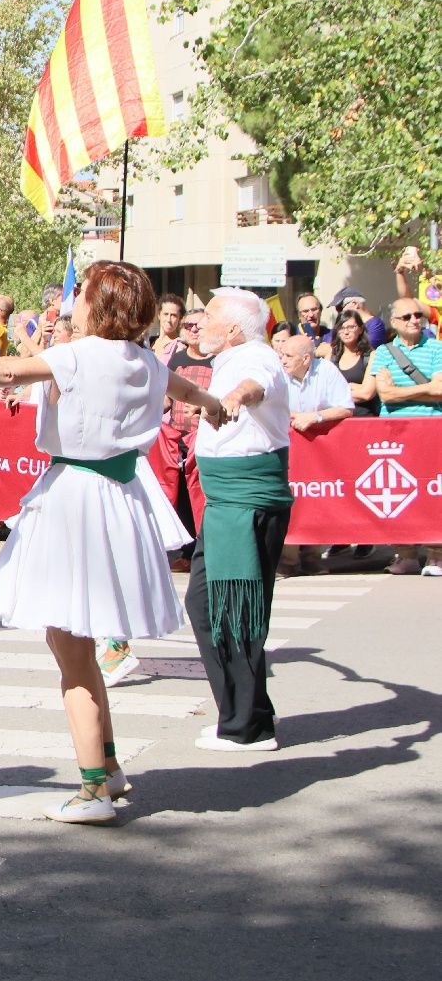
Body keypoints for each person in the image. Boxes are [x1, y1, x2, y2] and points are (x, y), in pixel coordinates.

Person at [0, 262, 223, 821]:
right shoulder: (146, 361)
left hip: (76, 500)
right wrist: (215, 405)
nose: (74, 303)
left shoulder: (76, 355)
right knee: (77, 641)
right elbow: (187, 389)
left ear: (100, 305)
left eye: (82, 294)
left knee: (71, 647)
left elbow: (0, 370)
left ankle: (92, 789)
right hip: (119, 499)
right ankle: (107, 766)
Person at [188, 288, 294, 752]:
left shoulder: (257, 356)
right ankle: (248, 714)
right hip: (227, 501)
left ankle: (246, 726)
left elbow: (255, 386)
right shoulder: (228, 359)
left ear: (232, 328)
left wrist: (231, 398)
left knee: (233, 609)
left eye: (207, 316)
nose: (198, 322)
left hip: (246, 502)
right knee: (208, 604)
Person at [370, 297, 442, 576]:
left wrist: (400, 392)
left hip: (432, 429)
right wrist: (423, 391)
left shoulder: (436, 347)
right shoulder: (385, 352)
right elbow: (384, 393)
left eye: (418, 314)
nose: (415, 319)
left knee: (433, 491)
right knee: (401, 491)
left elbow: (439, 391)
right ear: (394, 322)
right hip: (395, 434)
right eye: (407, 316)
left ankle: (436, 553)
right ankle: (406, 553)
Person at [276, 334, 354, 577]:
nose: (283, 360)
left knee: (314, 496)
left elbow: (346, 406)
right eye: (282, 354)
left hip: (318, 449)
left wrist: (315, 417)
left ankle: (312, 557)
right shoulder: (277, 373)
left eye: (289, 356)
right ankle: (288, 560)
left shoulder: (327, 371)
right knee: (290, 497)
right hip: (287, 445)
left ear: (306, 358)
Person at [150, 307, 214, 569]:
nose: (193, 330)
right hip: (176, 438)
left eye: (198, 326)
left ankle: (206, 552)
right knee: (182, 499)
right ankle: (187, 555)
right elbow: (166, 398)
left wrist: (204, 408)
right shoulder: (175, 359)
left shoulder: (218, 360)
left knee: (203, 497)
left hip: (206, 438)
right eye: (188, 326)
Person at [324, 309, 380, 417]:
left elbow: (367, 394)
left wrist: (336, 393)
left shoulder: (371, 356)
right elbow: (322, 392)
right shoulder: (331, 356)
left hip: (364, 419)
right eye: (342, 328)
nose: (346, 332)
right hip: (336, 420)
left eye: (351, 327)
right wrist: (353, 387)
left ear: (360, 329)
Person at [151, 294, 185, 361]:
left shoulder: (180, 347)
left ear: (180, 318)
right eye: (166, 314)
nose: (169, 320)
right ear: (159, 315)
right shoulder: (150, 342)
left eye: (173, 315)